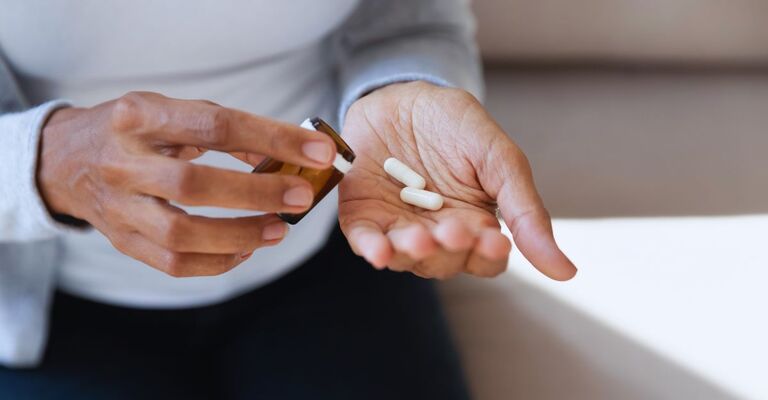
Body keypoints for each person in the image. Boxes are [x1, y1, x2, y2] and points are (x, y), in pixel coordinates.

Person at [0, 0, 576, 398]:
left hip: (336, 250)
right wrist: (39, 161)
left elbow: (409, 19)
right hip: (55, 309)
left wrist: (402, 85)